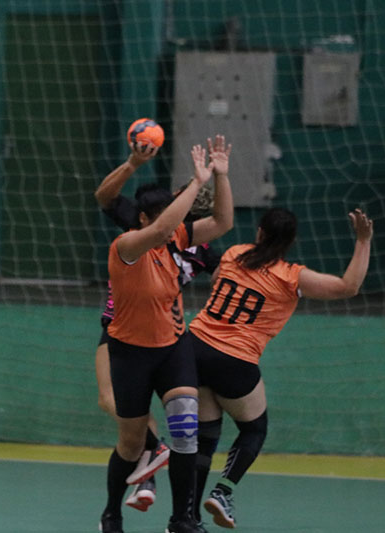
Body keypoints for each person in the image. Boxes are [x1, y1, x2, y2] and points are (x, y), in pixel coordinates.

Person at [188, 207, 373, 529]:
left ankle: (187, 517)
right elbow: (348, 286)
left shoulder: (235, 253)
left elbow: (217, 282)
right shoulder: (291, 276)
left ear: (259, 232)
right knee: (254, 429)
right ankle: (223, 491)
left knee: (206, 436)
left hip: (195, 348)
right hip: (234, 358)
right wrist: (363, 240)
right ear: (291, 241)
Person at [96, 135, 234, 533]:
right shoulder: (126, 247)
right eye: (166, 219)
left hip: (173, 348)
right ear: (142, 219)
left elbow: (222, 223)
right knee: (131, 443)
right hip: (130, 353)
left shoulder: (179, 238)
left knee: (186, 432)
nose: (176, 226)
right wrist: (195, 183)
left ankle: (181, 519)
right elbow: (160, 229)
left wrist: (220, 177)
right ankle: (111, 513)